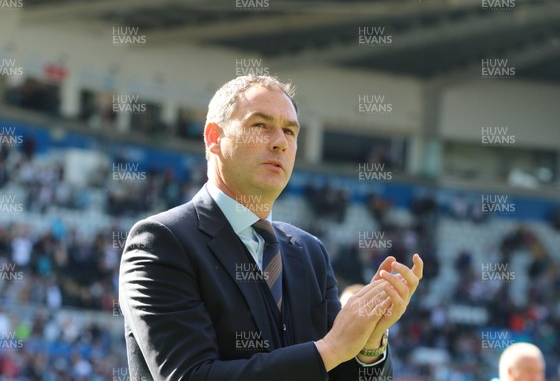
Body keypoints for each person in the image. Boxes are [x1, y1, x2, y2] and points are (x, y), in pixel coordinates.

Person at [119, 75, 423, 380]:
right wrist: (330, 348)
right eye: (260, 125)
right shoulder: (162, 241)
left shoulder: (309, 252)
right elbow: (191, 376)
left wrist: (368, 346)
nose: (279, 141)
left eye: (289, 131)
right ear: (214, 138)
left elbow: (338, 372)